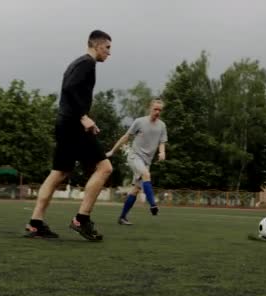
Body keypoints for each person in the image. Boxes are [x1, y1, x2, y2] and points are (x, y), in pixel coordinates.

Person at [24, 30, 113, 241]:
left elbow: (70, 92)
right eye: (108, 48)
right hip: (73, 124)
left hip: (66, 123)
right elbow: (70, 88)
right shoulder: (86, 63)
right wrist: (83, 117)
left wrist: (87, 120)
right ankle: (81, 220)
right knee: (105, 168)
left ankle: (35, 223)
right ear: (97, 45)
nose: (109, 53)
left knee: (59, 173)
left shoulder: (79, 63)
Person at [106, 99, 167, 225]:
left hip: (146, 161)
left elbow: (162, 142)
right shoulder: (139, 121)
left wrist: (162, 152)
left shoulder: (162, 126)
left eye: (160, 110)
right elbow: (126, 137)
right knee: (146, 174)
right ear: (150, 108)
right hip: (134, 156)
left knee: (135, 190)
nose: (157, 112)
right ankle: (153, 205)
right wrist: (112, 151)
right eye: (155, 109)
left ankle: (122, 217)